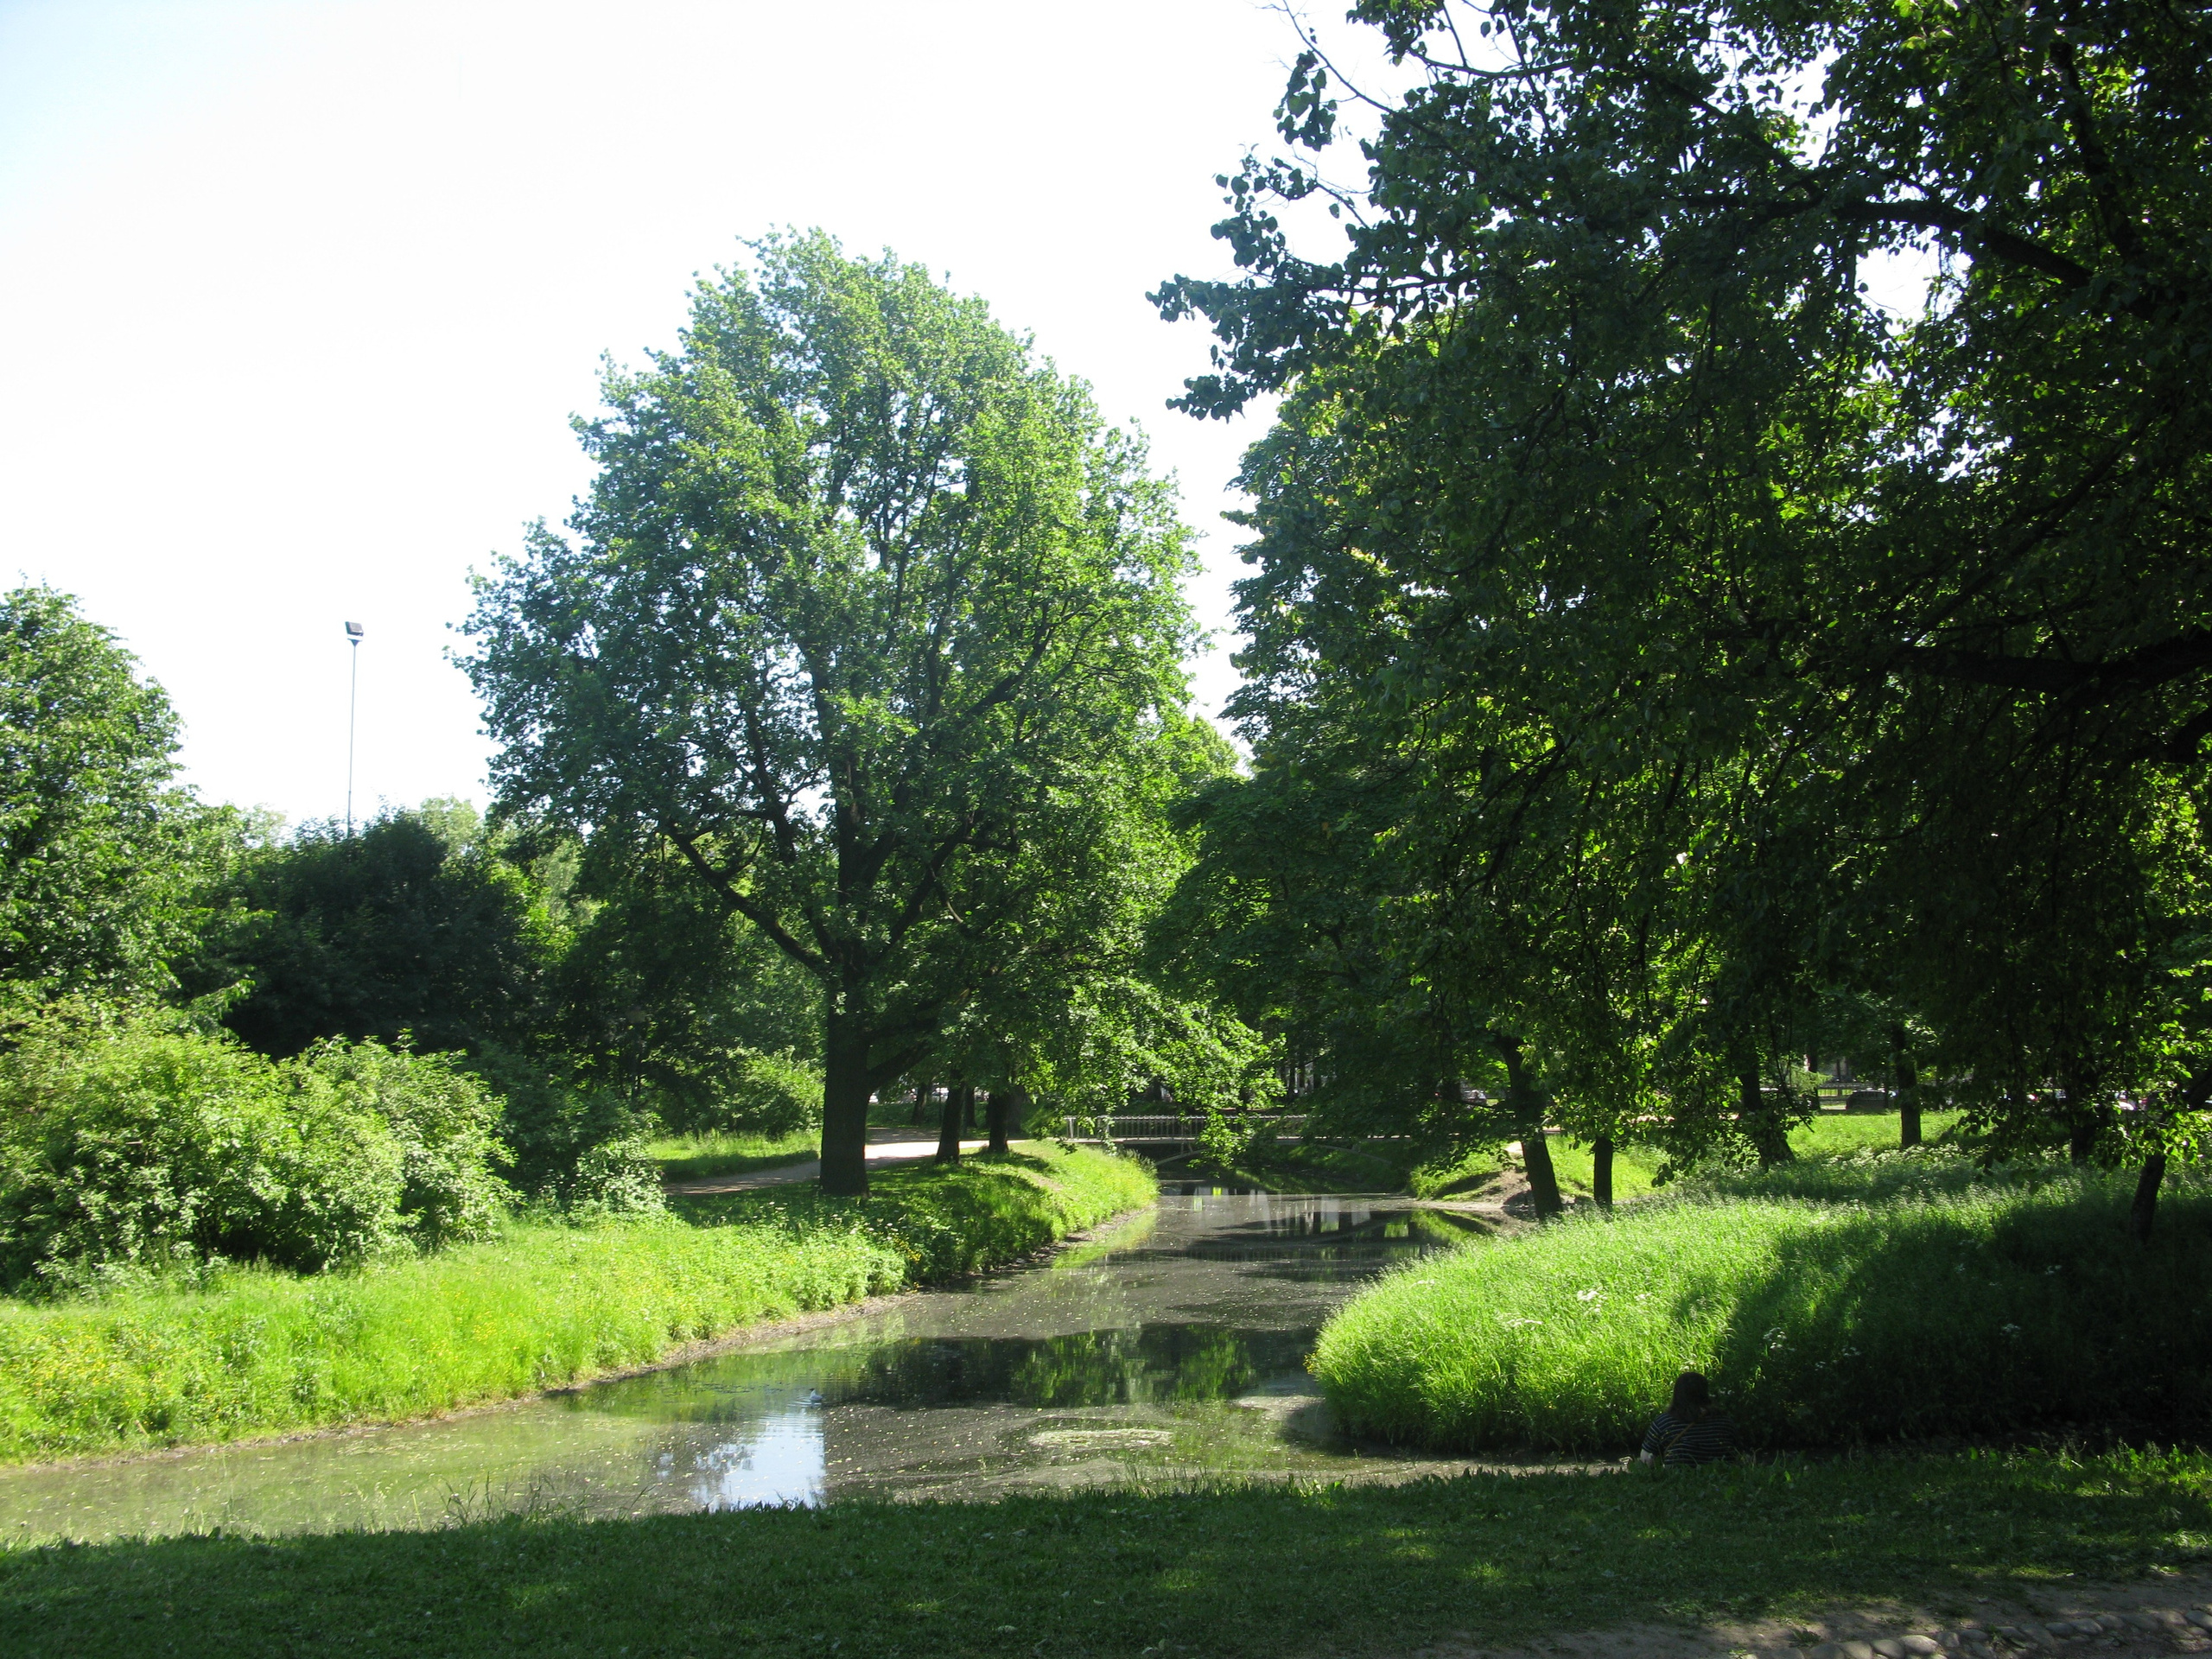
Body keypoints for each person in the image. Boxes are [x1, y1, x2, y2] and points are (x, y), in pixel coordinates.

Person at [1637, 1370, 1737, 1466]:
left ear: (1677, 1394)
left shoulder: (1664, 1422)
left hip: (1678, 1480)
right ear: (1705, 1392)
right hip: (1722, 1478)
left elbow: (1646, 1462)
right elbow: (1738, 1453)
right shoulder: (1725, 1421)